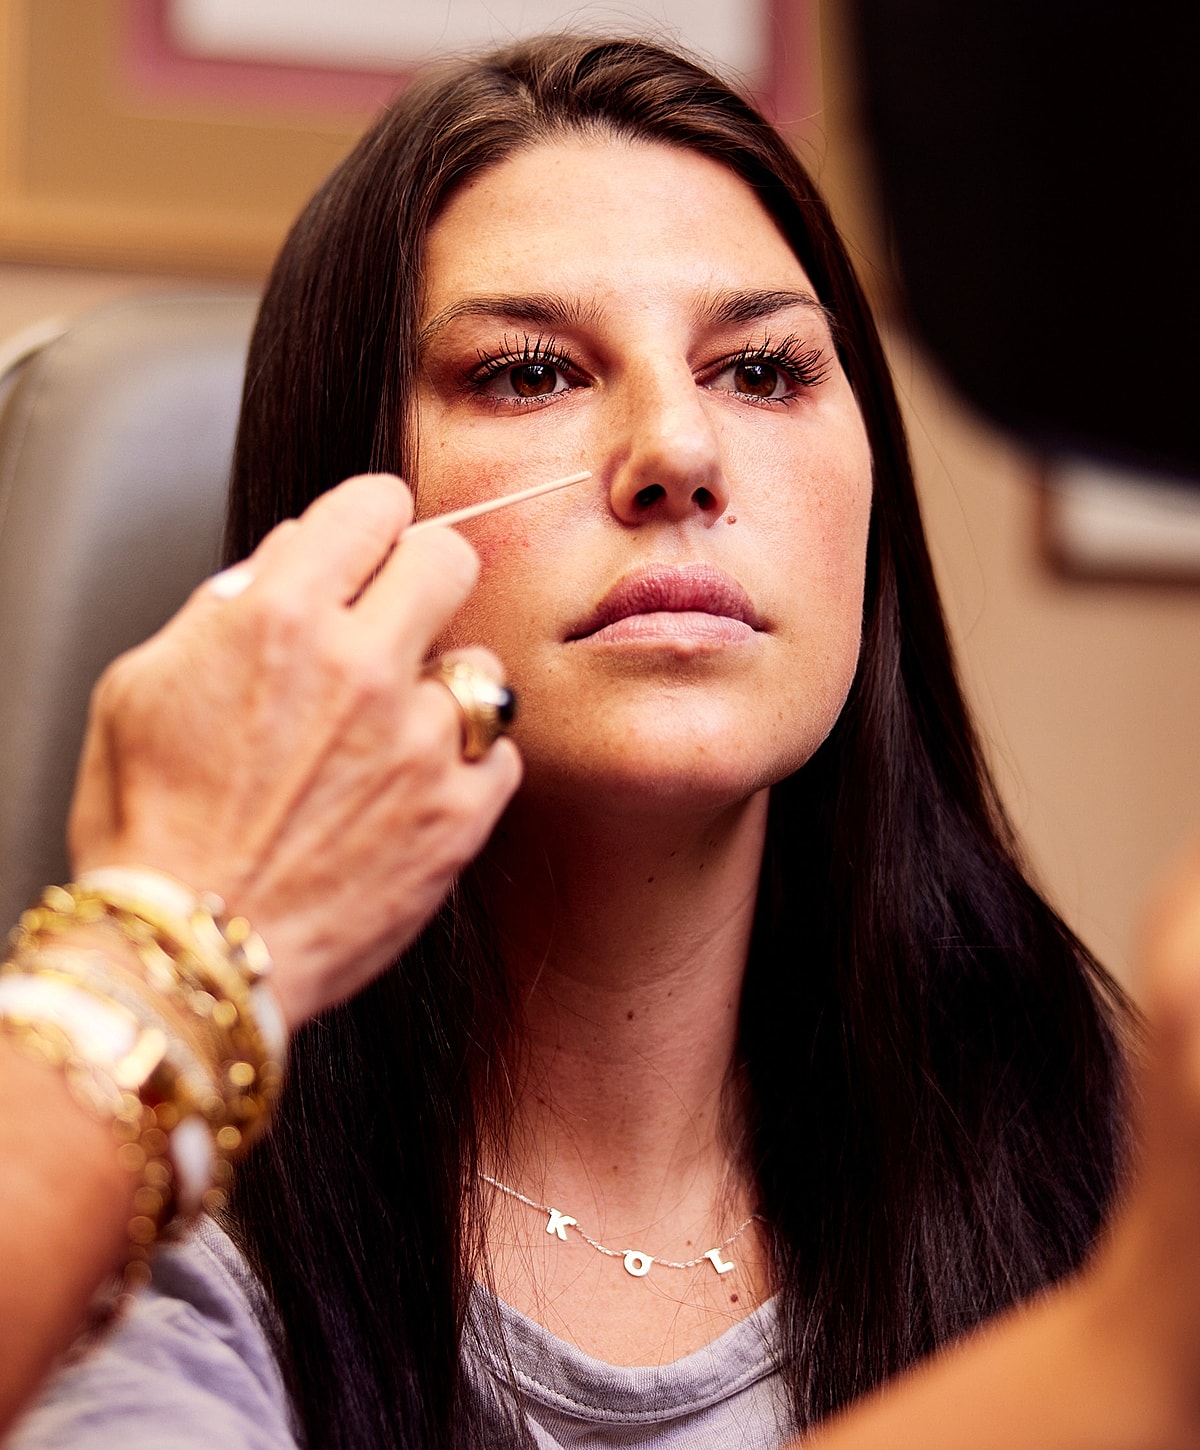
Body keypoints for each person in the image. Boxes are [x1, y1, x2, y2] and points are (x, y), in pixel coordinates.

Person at [6, 31, 1200, 1450]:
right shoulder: (159, 1239)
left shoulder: (1104, 1154)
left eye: (761, 371)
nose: (680, 452)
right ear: (344, 507)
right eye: (527, 373)